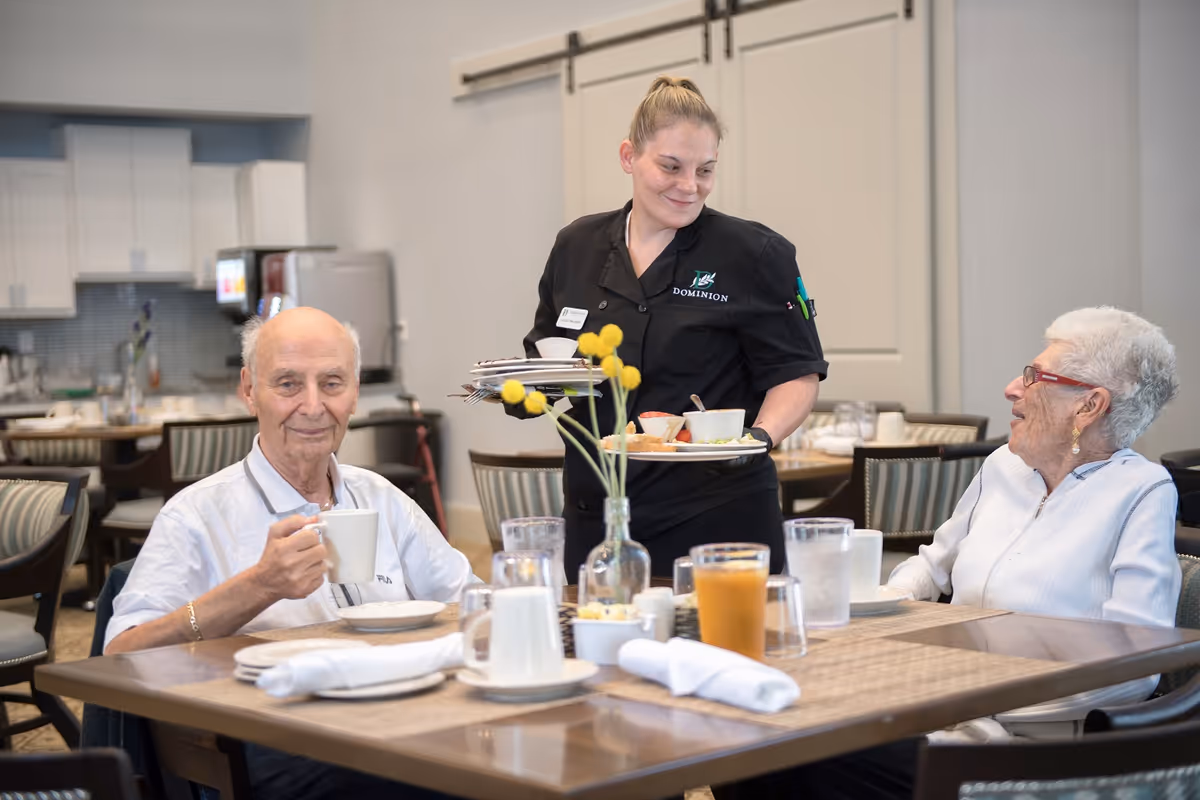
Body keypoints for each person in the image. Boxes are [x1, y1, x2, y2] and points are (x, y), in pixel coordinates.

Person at [713, 306, 1181, 799]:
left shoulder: (1141, 490)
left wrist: (983, 700)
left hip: (1034, 748)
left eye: (1035, 376)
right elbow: (933, 564)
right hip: (943, 712)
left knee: (796, 757)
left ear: (1089, 406)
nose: (1012, 388)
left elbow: (1138, 662)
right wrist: (877, 612)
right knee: (751, 740)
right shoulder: (1005, 465)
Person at [105, 307, 473, 800]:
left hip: (398, 721)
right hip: (268, 745)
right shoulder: (196, 515)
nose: (314, 406)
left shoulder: (382, 499)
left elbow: (471, 603)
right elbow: (122, 656)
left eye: (333, 383)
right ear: (248, 389)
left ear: (356, 391)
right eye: (288, 384)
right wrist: (259, 586)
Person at [517, 76, 827, 576]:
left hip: (716, 514)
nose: (690, 186)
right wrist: (527, 389)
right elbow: (550, 349)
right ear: (628, 157)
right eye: (671, 167)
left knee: (725, 651)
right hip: (601, 511)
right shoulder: (577, 245)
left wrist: (758, 439)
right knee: (601, 648)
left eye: (705, 170)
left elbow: (796, 375)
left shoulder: (755, 254)